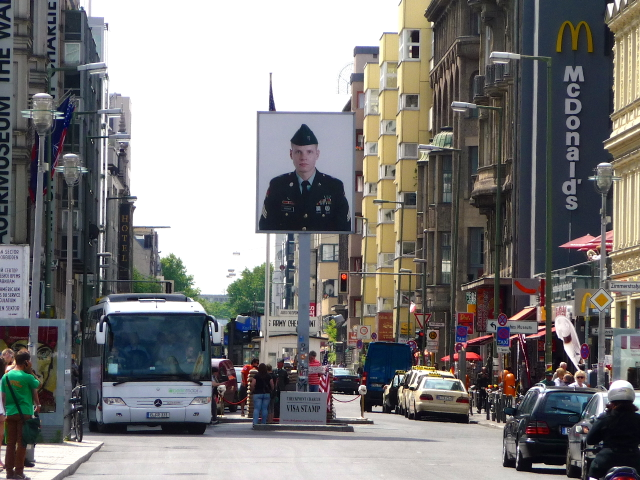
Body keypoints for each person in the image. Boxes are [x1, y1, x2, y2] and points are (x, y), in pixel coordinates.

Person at [258, 123, 351, 232]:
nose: (303, 157)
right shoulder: (278, 186)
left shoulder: (334, 187)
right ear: (291, 154)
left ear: (317, 154)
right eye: (298, 152)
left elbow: (344, 228)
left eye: (309, 152)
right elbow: (266, 226)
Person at [586, 380, 640, 479]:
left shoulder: (604, 418)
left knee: (592, 476)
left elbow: (590, 440)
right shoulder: (638, 419)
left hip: (607, 460)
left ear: (611, 396)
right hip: (634, 460)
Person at [1, 350, 40, 480]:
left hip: (10, 413)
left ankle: (9, 473)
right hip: (25, 413)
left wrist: (5, 411)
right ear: (26, 362)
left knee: (10, 443)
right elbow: (37, 384)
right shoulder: (27, 376)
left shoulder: (5, 377)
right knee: (22, 443)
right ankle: (19, 472)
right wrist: (30, 370)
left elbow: (3, 396)